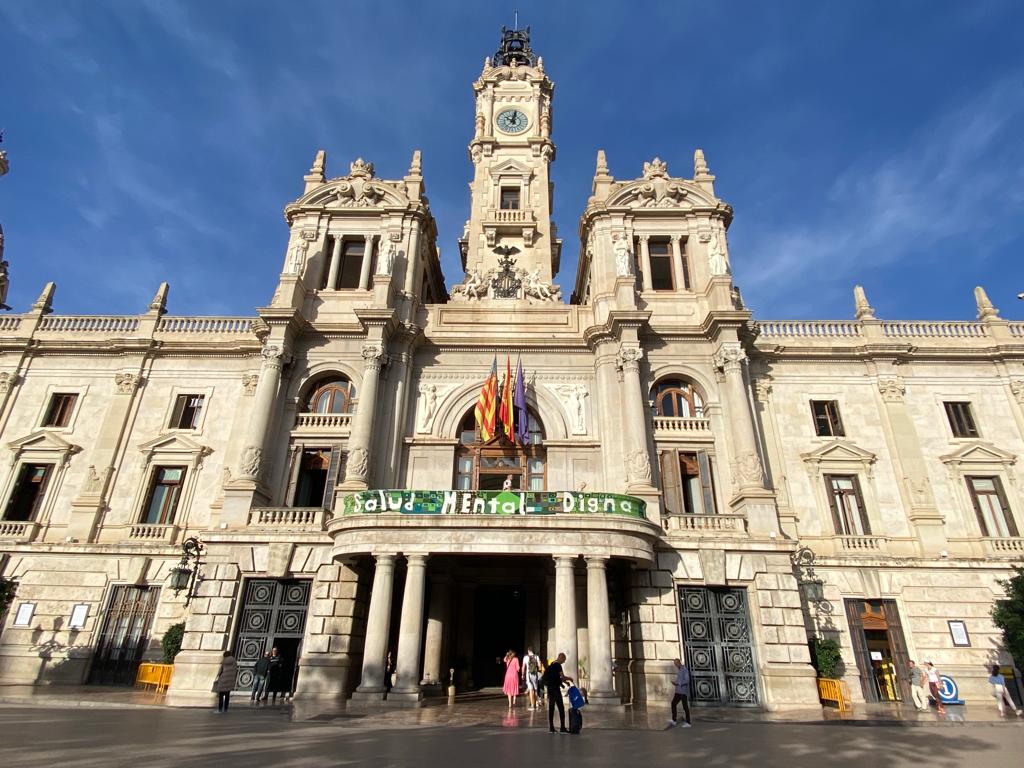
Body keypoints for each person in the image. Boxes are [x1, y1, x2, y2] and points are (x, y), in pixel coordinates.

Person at [540, 652, 573, 734]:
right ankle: (562, 728)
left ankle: (551, 728)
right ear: (561, 658)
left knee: (551, 708)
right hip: (555, 689)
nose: (564, 662)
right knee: (561, 708)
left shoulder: (552, 664)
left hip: (550, 689)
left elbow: (557, 677)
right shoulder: (558, 665)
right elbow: (562, 676)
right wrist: (569, 679)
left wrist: (565, 683)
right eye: (564, 660)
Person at [667, 657, 692, 727]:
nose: (675, 665)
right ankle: (674, 720)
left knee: (685, 707)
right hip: (678, 691)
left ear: (678, 663)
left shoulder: (685, 670)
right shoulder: (680, 670)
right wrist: (675, 682)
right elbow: (680, 679)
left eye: (675, 663)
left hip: (683, 692)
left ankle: (688, 722)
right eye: (674, 664)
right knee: (673, 704)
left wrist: (678, 684)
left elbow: (687, 681)